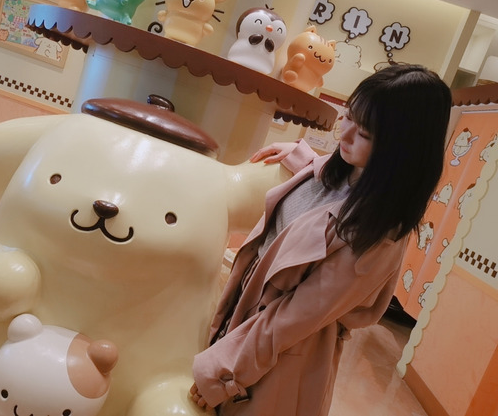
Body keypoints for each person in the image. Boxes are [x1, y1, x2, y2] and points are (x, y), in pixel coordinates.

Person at [189, 64, 452, 416]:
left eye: (366, 133)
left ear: (401, 150)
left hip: (273, 362)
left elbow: (291, 320)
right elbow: (325, 199)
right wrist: (303, 158)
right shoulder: (340, 171)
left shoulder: (377, 236)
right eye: (349, 116)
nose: (345, 135)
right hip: (243, 324)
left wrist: (223, 374)